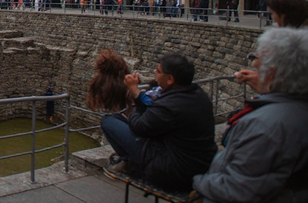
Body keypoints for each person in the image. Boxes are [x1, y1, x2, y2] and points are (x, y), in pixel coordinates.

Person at [191, 28, 308, 203]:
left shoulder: (264, 127)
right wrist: (268, 89)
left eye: (256, 59)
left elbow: (237, 190)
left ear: (272, 73)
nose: (253, 64)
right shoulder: (297, 107)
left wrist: (197, 182)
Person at [101, 54, 217, 192]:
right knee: (119, 119)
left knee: (108, 121)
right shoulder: (198, 95)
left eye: (159, 71)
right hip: (196, 164)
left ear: (170, 79)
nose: (155, 72)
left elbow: (139, 126)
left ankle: (130, 163)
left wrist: (135, 94)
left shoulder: (169, 105)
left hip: (173, 172)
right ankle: (128, 161)